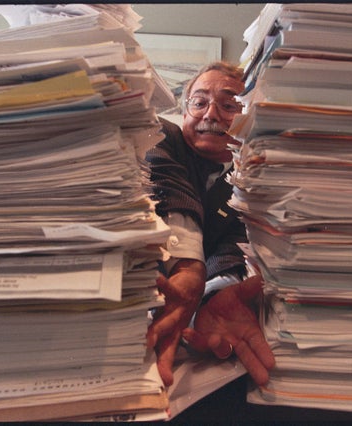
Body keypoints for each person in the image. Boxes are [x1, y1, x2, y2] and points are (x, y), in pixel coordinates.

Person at [145, 62, 275, 387]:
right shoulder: (160, 135)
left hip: (180, 323)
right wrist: (189, 268)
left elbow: (230, 245)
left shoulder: (249, 183)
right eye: (199, 102)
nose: (211, 115)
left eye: (229, 105)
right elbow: (168, 185)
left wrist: (214, 295)